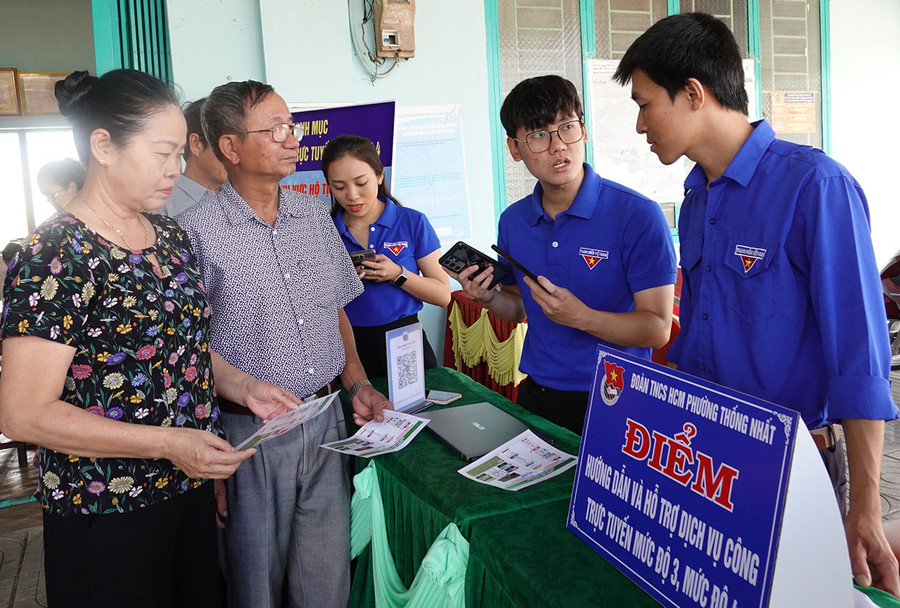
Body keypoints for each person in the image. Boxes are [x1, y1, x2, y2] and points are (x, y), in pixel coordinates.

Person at [613, 12, 900, 597]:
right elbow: (699, 339)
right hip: (712, 463)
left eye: (645, 105)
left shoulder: (815, 186)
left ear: (693, 94)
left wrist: (866, 506)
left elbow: (859, 357)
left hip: (795, 468)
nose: (640, 125)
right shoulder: (696, 199)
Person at [0, 69, 303, 608]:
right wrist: (167, 443)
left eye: (179, 155)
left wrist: (242, 387)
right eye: (162, 154)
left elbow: (181, 348)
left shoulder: (168, 236)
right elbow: (23, 414)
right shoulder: (54, 254)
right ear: (104, 147)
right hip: (105, 507)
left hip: (185, 487)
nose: (175, 170)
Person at [177, 80, 391, 608]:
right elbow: (188, 350)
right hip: (248, 436)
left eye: (290, 126)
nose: (292, 139)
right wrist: (209, 456)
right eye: (275, 130)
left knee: (326, 582)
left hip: (326, 419)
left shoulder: (313, 215)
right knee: (256, 587)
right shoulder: (192, 233)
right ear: (230, 146)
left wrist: (357, 384)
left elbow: (334, 308)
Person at [447, 75, 677, 434]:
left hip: (617, 396)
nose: (558, 146)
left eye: (567, 127)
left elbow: (657, 329)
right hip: (539, 394)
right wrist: (488, 297)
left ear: (583, 131)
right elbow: (519, 307)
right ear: (514, 149)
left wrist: (582, 317)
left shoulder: (637, 215)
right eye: (538, 135)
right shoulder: (514, 221)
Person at [321, 134, 451, 378]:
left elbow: (443, 295)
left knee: (416, 403)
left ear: (380, 176)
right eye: (339, 187)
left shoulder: (412, 222)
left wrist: (398, 274)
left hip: (405, 339)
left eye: (361, 183)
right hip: (348, 348)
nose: (352, 195)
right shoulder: (322, 232)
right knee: (358, 403)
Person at [163, 98, 227, 216]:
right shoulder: (161, 203)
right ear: (196, 144)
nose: (235, 155)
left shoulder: (242, 198)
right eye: (227, 144)